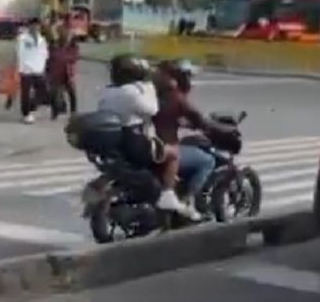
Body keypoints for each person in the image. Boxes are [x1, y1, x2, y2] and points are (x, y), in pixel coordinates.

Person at [96, 54, 191, 217]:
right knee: (174, 154)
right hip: (136, 142)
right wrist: (149, 87)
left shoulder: (108, 92)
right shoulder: (132, 92)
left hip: (117, 143)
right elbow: (152, 109)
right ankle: (168, 194)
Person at [154, 59, 226, 220]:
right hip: (165, 148)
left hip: (150, 145)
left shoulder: (152, 93)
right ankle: (188, 202)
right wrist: (221, 129)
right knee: (207, 161)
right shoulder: (177, 98)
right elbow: (200, 120)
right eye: (189, 78)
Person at [15, 18, 50, 124]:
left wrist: (44, 67)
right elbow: (19, 52)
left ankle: (32, 106)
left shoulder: (42, 39)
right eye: (33, 26)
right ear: (29, 27)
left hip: (38, 69)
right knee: (25, 93)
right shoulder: (22, 38)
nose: (35, 28)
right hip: (26, 70)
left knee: (43, 92)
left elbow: (45, 54)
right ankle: (26, 114)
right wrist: (20, 67)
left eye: (37, 26)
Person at [46, 25, 80, 120]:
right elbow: (48, 57)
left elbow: (74, 57)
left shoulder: (72, 47)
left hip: (67, 72)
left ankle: (73, 111)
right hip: (55, 72)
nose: (66, 37)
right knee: (54, 93)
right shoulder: (53, 46)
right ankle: (55, 111)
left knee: (72, 92)